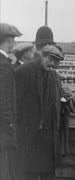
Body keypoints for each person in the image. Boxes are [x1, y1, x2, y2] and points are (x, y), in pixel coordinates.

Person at [15, 45, 64, 180]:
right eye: (51, 59)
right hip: (29, 136)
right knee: (28, 173)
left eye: (56, 61)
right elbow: (15, 103)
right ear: (42, 56)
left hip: (47, 138)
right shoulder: (24, 71)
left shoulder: (51, 74)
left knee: (47, 173)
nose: (53, 64)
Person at [0, 22, 22, 180]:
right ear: (7, 40)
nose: (14, 43)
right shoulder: (3, 64)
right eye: (13, 40)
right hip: (4, 126)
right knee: (5, 165)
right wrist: (9, 122)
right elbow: (3, 97)